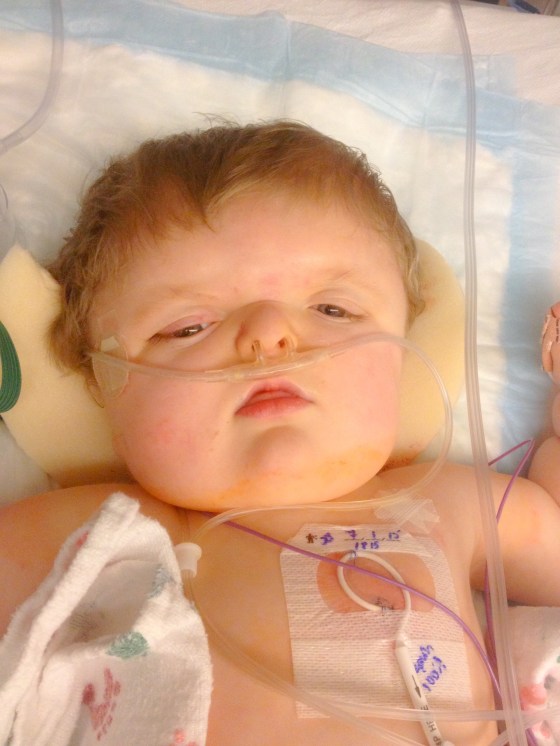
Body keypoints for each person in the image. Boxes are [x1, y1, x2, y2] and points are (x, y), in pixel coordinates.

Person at [1, 120, 560, 746]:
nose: (269, 335)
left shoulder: (444, 506)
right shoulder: (106, 529)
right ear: (101, 383)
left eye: (332, 309)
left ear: (405, 350)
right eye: (188, 327)